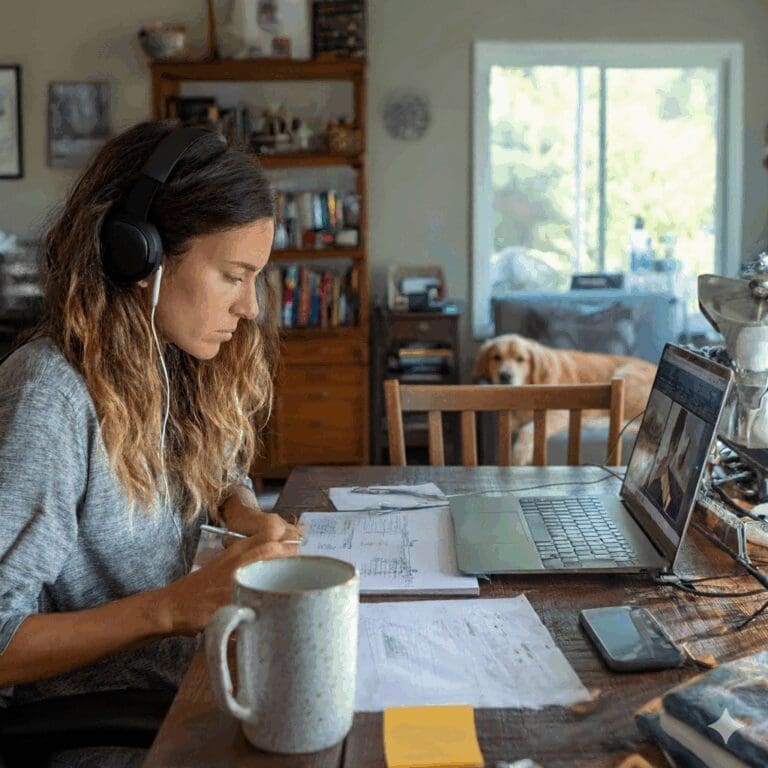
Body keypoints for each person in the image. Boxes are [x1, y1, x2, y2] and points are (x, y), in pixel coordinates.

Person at [0, 122, 301, 766]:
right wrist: (172, 608)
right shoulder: (50, 397)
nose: (251, 307)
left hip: (190, 680)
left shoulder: (172, 360)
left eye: (257, 278)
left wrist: (242, 512)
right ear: (139, 255)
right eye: (233, 275)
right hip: (102, 728)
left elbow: (220, 467)